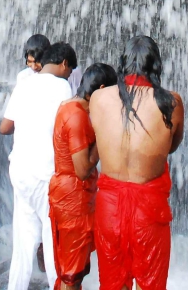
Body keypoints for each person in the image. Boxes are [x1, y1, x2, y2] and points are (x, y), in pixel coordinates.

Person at [88, 36, 184, 290]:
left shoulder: (98, 98)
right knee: (149, 284)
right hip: (148, 209)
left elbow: (98, 134)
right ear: (156, 65)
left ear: (123, 64)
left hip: (109, 208)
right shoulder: (171, 102)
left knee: (112, 284)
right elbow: (171, 146)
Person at [0, 42, 77, 290]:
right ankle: (57, 285)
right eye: (70, 70)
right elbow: (68, 128)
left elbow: (6, 125)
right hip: (46, 173)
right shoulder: (63, 87)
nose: (69, 75)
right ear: (64, 64)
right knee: (52, 240)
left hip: (20, 170)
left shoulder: (24, 84)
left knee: (23, 243)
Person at [49, 63, 118, 290]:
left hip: (71, 195)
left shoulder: (70, 106)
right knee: (72, 273)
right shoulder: (76, 116)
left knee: (73, 269)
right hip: (73, 198)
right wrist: (102, 133)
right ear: (101, 89)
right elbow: (82, 169)